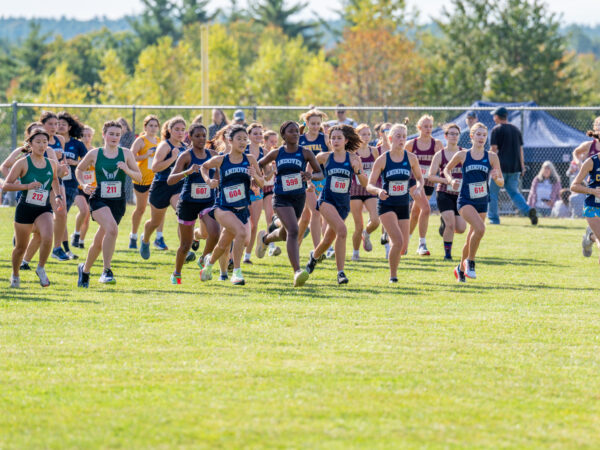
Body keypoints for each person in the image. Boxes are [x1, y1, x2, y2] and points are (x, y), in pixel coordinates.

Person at [255, 121, 323, 287]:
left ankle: (265, 239)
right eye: (291, 132)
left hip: (298, 197)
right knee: (294, 230)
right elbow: (259, 164)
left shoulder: (305, 152)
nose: (295, 134)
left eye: (296, 131)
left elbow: (321, 173)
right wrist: (259, 177)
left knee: (286, 233)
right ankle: (297, 271)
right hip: (280, 198)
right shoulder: (278, 152)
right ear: (283, 136)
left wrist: (310, 176)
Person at [76, 120, 142, 287]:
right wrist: (83, 184)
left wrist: (126, 169)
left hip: (118, 202)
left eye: (117, 135)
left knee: (100, 240)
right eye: (111, 134)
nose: (114, 137)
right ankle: (106, 271)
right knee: (112, 229)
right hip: (99, 199)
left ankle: (84, 270)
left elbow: (139, 177)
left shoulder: (126, 153)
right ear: (104, 135)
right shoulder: (95, 153)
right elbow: (79, 169)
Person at [199, 124, 264, 285]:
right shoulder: (221, 160)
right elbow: (203, 167)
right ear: (230, 140)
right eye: (239, 139)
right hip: (223, 207)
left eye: (245, 139)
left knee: (225, 243)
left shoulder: (250, 159)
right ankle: (236, 272)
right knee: (241, 233)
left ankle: (208, 264)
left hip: (242, 208)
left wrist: (254, 175)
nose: (243, 142)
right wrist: (209, 181)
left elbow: (262, 183)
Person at [305, 124, 367, 284]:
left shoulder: (353, 159)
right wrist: (309, 182)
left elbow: (364, 182)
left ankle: (314, 256)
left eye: (339, 138)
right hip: (327, 200)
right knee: (343, 231)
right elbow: (309, 168)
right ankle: (341, 273)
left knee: (327, 240)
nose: (335, 141)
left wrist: (358, 170)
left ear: (346, 140)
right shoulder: (324, 157)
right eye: (333, 138)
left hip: (344, 203)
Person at [443, 122, 504, 282]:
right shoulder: (463, 155)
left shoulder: (492, 157)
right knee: (480, 228)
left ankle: (460, 270)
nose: (481, 138)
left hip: (482, 200)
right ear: (471, 136)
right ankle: (470, 262)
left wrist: (497, 178)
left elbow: (501, 182)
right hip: (465, 200)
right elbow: (446, 169)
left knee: (473, 235)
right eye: (478, 134)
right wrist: (450, 180)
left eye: (484, 135)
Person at [3, 127, 64, 288]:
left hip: (43, 207)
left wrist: (57, 196)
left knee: (48, 236)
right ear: (30, 143)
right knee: (20, 247)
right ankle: (15, 275)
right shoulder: (22, 163)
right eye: (38, 142)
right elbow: (6, 186)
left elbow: (55, 181)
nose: (42, 145)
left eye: (45, 142)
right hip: (25, 208)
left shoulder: (51, 163)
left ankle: (41, 268)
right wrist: (27, 186)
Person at [367, 123, 424, 282]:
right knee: (397, 241)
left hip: (403, 204)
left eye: (404, 136)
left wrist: (419, 187)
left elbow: (419, 178)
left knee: (403, 247)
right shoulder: (382, 159)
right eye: (398, 136)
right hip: (387, 204)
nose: (401, 139)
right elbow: (369, 184)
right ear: (390, 138)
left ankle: (389, 235)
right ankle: (393, 276)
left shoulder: (411, 158)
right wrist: (378, 191)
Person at [167, 123, 220, 284]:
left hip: (208, 201)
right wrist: (187, 172)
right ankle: (176, 273)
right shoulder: (186, 156)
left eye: (204, 135)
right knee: (185, 245)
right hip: (188, 202)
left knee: (215, 232)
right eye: (197, 136)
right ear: (189, 137)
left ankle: (203, 258)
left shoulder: (213, 155)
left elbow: (218, 174)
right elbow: (170, 180)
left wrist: (215, 181)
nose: (201, 139)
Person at [139, 116, 187, 259]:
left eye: (183, 130)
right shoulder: (165, 146)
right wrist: (172, 158)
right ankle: (145, 239)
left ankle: (184, 248)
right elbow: (155, 167)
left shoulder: (185, 148)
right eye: (177, 129)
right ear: (170, 130)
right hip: (161, 187)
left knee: (182, 213)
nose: (180, 133)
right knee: (155, 222)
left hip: (177, 186)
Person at [488, 106, 538, 225]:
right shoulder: (516, 130)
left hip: (499, 168)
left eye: (494, 116)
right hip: (515, 168)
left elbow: (493, 149)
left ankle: (494, 219)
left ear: (497, 117)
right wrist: (522, 166)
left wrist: (489, 164)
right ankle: (528, 210)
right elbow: (521, 150)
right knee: (514, 192)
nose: (493, 118)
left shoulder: (496, 130)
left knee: (492, 193)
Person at [406, 114, 444, 256]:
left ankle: (405, 241)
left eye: (430, 126)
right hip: (414, 181)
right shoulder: (411, 144)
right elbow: (402, 160)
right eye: (425, 126)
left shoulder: (437, 144)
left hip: (428, 182)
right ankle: (422, 244)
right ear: (419, 128)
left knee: (416, 211)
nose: (428, 129)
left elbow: (442, 162)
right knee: (426, 209)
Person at [428, 123, 467, 260]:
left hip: (461, 194)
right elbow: (431, 176)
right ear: (445, 136)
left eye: (456, 134)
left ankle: (444, 224)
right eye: (451, 133)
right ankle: (447, 255)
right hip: (444, 193)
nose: (454, 136)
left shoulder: (464, 153)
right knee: (451, 225)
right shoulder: (440, 155)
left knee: (461, 228)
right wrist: (447, 181)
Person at [128, 115, 163, 249]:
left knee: (159, 209)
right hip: (141, 179)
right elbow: (130, 157)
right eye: (150, 126)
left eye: (155, 126)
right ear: (145, 127)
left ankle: (159, 237)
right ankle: (133, 236)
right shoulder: (141, 140)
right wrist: (145, 155)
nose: (153, 128)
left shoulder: (159, 141)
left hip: (156, 179)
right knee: (141, 209)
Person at [57, 111, 88, 260]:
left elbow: (89, 161)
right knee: (54, 216)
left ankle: (64, 249)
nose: (60, 126)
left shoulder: (77, 144)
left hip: (69, 184)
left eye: (63, 124)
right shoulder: (49, 142)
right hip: (51, 182)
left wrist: (75, 162)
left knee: (61, 215)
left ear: (69, 127)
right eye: (57, 124)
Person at [40, 111, 70, 262]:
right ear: (43, 125)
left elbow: (62, 161)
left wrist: (64, 169)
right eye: (50, 124)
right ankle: (21, 235)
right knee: (36, 213)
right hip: (39, 182)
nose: (54, 127)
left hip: (56, 181)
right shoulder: (38, 140)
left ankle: (57, 248)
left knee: (61, 212)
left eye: (56, 124)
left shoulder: (60, 139)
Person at [298, 109, 329, 248]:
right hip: (305, 179)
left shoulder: (325, 138)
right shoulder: (300, 139)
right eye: (313, 123)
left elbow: (333, 156)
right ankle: (318, 250)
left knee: (305, 218)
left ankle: (295, 244)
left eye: (318, 123)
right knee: (316, 212)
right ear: (307, 123)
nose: (316, 126)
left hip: (322, 178)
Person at [349, 124, 380, 261]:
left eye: (368, 134)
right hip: (354, 190)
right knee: (358, 225)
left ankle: (366, 234)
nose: (366, 137)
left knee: (375, 220)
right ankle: (355, 252)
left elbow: (379, 169)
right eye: (363, 134)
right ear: (357, 136)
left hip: (369, 189)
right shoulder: (351, 152)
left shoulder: (374, 151)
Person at [571, 149, 600, 263]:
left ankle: (590, 236)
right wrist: (592, 191)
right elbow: (574, 186)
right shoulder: (591, 162)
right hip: (592, 207)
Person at [243, 123, 265, 264]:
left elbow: (267, 175)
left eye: (260, 133)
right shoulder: (243, 149)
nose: (258, 136)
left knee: (254, 224)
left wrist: (269, 172)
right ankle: (234, 250)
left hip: (257, 190)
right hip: (242, 189)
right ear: (249, 136)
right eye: (255, 133)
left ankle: (247, 256)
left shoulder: (264, 152)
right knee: (242, 222)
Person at [73, 125, 95, 249]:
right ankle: (76, 234)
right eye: (83, 136)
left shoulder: (95, 151)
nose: (86, 138)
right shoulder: (78, 150)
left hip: (91, 186)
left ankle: (81, 241)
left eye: (89, 135)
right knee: (84, 210)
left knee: (87, 217)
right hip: (79, 186)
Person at [261, 129, 281, 256]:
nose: (274, 143)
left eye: (276, 141)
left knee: (270, 216)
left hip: (270, 187)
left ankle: (271, 246)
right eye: (271, 141)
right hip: (258, 187)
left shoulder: (277, 153)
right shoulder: (261, 153)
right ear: (265, 141)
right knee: (252, 222)